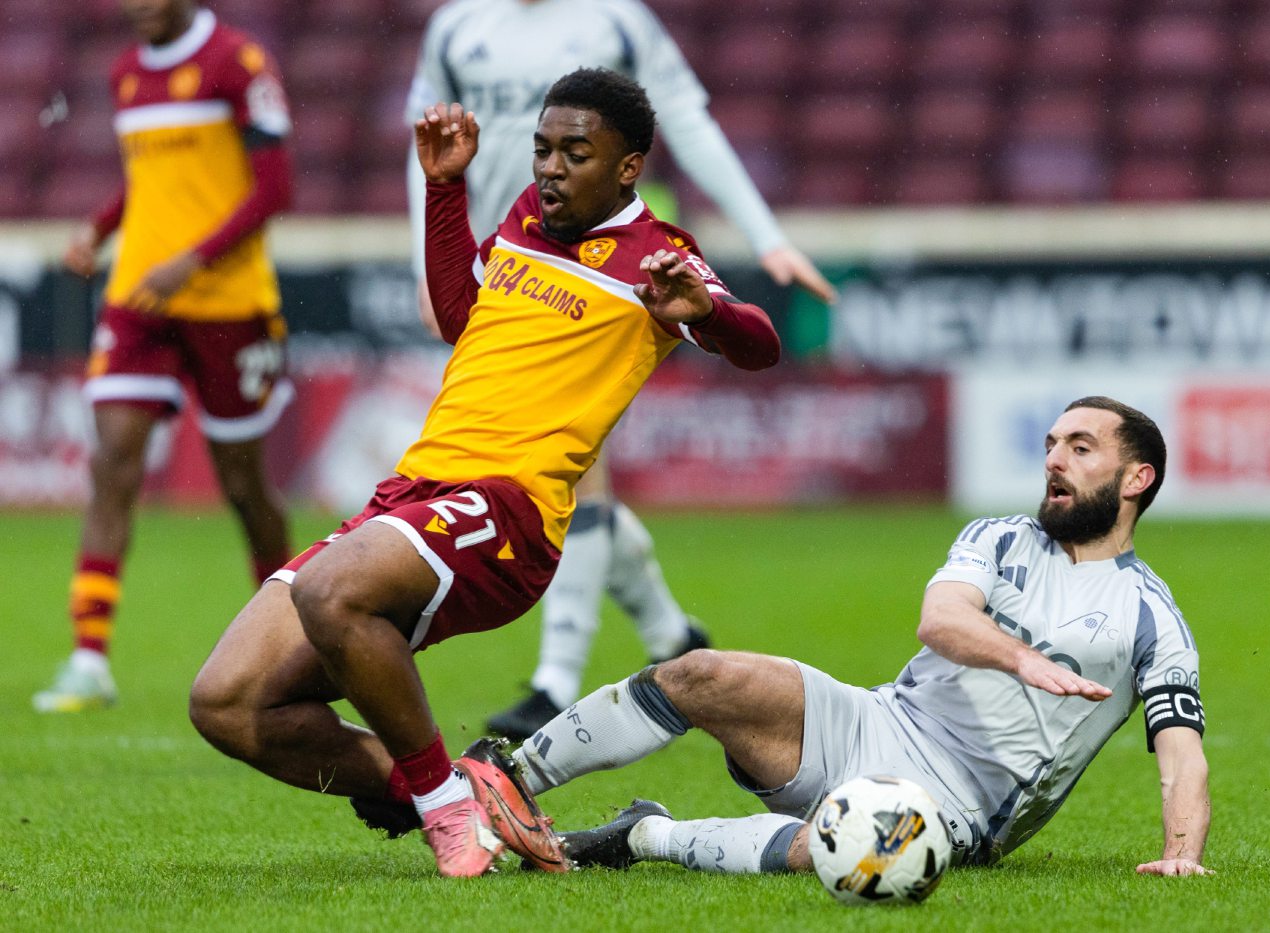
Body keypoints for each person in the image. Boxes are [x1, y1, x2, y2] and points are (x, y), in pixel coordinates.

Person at [188, 68, 782, 879]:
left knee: (332, 591)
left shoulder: (660, 258)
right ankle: (465, 789)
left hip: (509, 510)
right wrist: (444, 190)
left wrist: (708, 311)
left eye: (576, 152)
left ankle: (443, 811)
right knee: (227, 703)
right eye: (542, 149)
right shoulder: (525, 221)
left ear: (628, 166)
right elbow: (461, 315)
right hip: (413, 492)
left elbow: (761, 344)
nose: (551, 168)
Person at [500, 397, 1214, 878]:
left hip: (960, 804)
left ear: (1135, 478)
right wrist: (1022, 657)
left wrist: (1181, 854)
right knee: (700, 673)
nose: (1055, 458)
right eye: (1052, 443)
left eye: (1081, 448)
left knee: (850, 848)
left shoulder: (1151, 617)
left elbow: (1182, 757)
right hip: (876, 718)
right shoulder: (1001, 537)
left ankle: (644, 834)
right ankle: (506, 781)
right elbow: (941, 620)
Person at [406, 0, 837, 740]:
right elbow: (418, 139)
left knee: (569, 465)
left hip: (619, 265)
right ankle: (669, 632)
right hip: (513, 249)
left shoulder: (616, 19)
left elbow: (688, 118)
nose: (551, 156)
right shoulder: (457, 26)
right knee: (574, 472)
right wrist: (430, 244)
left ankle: (554, 679)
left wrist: (764, 238)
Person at [34, 0, 295, 713]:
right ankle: (88, 657)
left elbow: (275, 187)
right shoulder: (125, 72)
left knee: (244, 490)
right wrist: (100, 228)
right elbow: (148, 182)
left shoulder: (237, 63)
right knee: (112, 460)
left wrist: (195, 260)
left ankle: (294, 645)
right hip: (139, 297)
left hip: (228, 304)